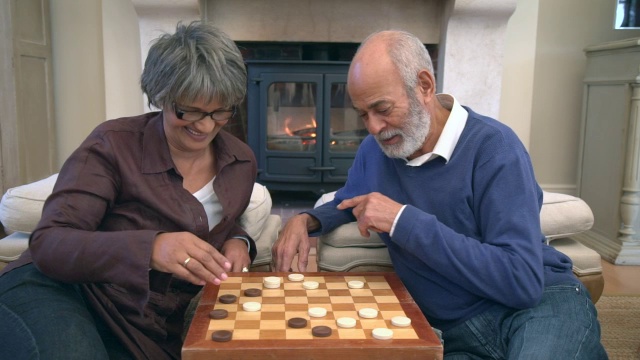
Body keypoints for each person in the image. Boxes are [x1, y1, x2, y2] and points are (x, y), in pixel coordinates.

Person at [272, 30, 608, 359]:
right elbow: (350, 200)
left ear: (424, 86)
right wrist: (306, 219)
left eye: (383, 108)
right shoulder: (374, 151)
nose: (373, 127)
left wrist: (404, 221)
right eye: (363, 114)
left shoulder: (495, 148)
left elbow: (521, 282)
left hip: (538, 307)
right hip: (455, 335)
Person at [0, 21, 256, 359]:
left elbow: (214, 219)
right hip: (62, 292)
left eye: (220, 111)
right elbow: (50, 243)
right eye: (189, 110)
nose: (206, 125)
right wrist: (152, 248)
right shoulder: (113, 144)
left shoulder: (240, 162)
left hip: (141, 323)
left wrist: (240, 241)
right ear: (161, 96)